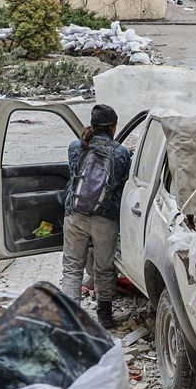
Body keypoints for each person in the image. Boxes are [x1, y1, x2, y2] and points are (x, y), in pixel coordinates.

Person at [61, 104, 131, 329]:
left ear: (92, 124)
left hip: (76, 215)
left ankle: (71, 318)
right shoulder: (120, 152)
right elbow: (122, 183)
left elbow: (74, 175)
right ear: (113, 126)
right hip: (105, 219)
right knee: (104, 267)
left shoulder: (75, 147)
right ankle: (104, 314)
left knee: (72, 268)